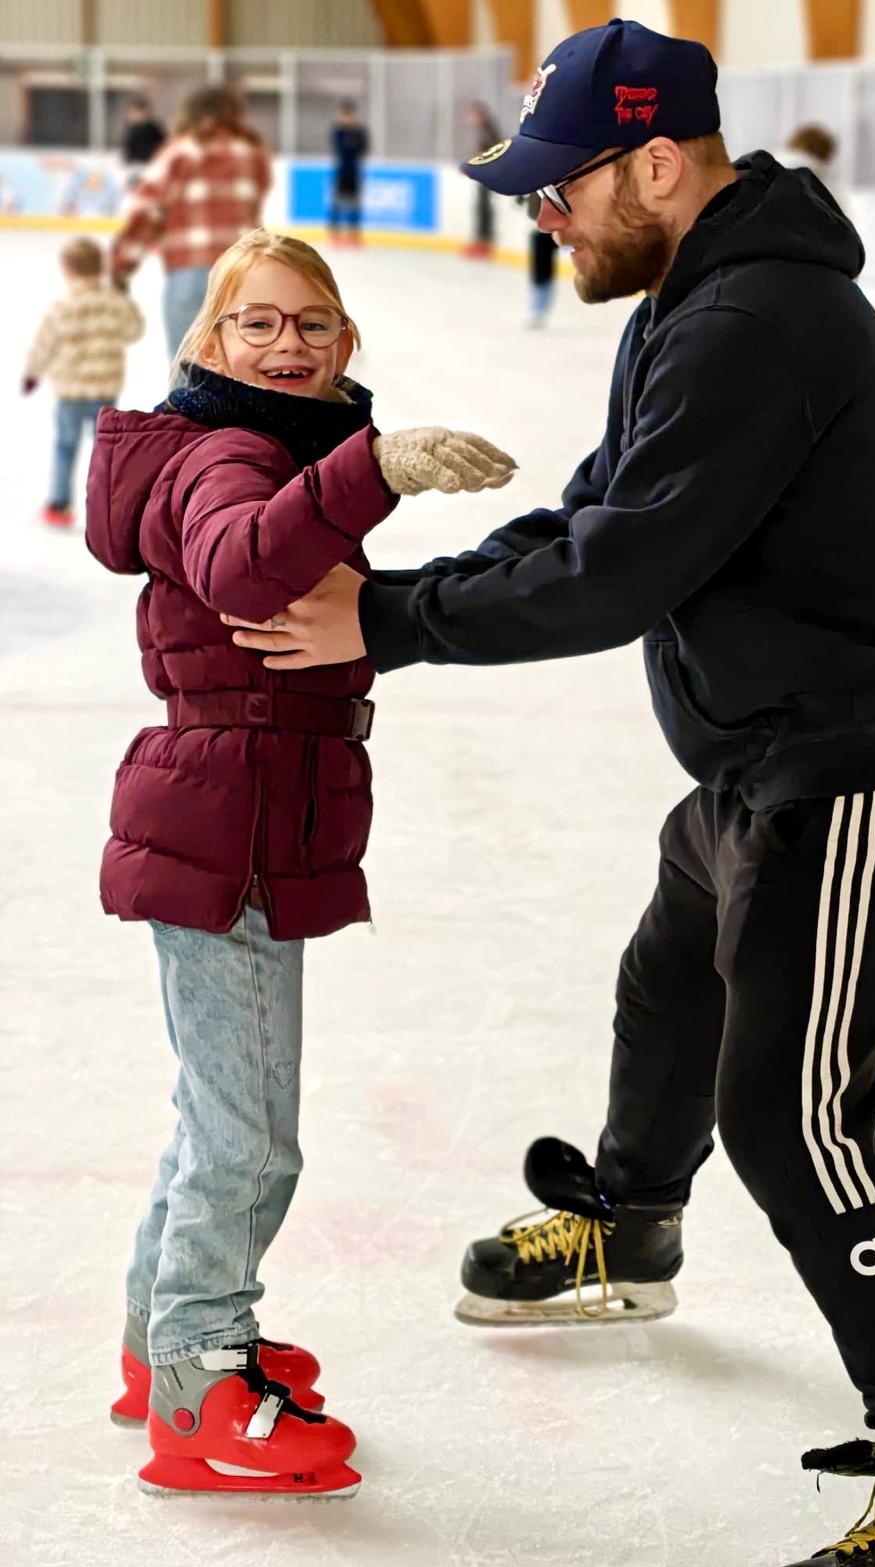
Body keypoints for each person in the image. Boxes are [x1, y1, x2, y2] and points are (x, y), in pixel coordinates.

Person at [224, 21, 875, 1567]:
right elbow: (604, 507)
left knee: (793, 1120)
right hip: (767, 757)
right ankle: (630, 1221)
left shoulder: (757, 320)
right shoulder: (695, 290)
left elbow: (617, 574)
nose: (542, 212)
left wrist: (389, 622)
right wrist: (403, 591)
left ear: (658, 162)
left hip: (866, 768)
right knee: (670, 983)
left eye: (562, 184)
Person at [86, 228, 515, 1498]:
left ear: (346, 344)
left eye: (313, 325)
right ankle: (203, 1381)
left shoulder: (276, 451)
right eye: (258, 324)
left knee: (217, 1117)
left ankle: (158, 1347)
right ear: (207, 344)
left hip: (246, 813)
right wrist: (370, 469)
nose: (288, 344)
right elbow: (234, 560)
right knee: (251, 1136)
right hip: (234, 829)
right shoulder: (229, 452)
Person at [111, 86, 272, 361]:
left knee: (187, 376)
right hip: (244, 276)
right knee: (244, 376)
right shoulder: (252, 153)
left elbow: (147, 213)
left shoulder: (177, 154)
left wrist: (121, 265)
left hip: (189, 275)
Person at [22, 235, 144, 528]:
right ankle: (105, 509)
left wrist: (32, 373)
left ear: (68, 271)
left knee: (65, 447)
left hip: (70, 391)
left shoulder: (64, 306)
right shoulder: (113, 302)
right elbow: (134, 331)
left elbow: (44, 343)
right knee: (103, 450)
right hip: (105, 388)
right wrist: (125, 298)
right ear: (100, 269)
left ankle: (59, 505)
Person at [329, 99, 369, 246]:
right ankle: (335, 235)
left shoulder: (359, 132)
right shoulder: (338, 131)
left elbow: (362, 148)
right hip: (340, 172)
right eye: (344, 115)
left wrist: (351, 143)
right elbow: (340, 148)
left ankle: (353, 236)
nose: (346, 118)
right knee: (336, 205)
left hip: (354, 173)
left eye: (349, 115)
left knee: (355, 206)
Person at [464, 101, 500, 258]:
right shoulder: (486, 128)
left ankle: (484, 240)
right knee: (481, 206)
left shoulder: (488, 129)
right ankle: (482, 239)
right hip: (485, 172)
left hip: (488, 173)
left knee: (483, 207)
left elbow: (494, 148)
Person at [520, 191, 558, 327]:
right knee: (541, 271)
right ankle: (538, 309)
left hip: (556, 226)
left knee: (542, 270)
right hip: (540, 230)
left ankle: (538, 309)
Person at [120, 96, 166, 186]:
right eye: (132, 112)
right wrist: (127, 159)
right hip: (135, 165)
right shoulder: (131, 128)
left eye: (136, 112)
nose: (133, 115)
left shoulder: (153, 127)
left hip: (149, 164)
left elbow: (163, 144)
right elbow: (128, 146)